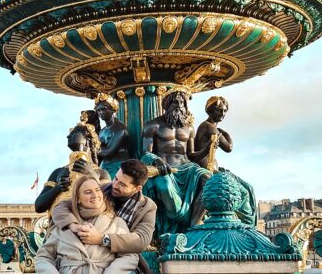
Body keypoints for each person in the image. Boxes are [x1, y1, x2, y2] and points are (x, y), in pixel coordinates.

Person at [141, 89, 211, 237]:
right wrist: (156, 160)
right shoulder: (153, 125)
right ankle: (176, 221)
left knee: (209, 181)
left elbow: (191, 154)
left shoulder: (189, 128)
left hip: (187, 168)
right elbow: (145, 152)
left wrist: (208, 148)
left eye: (182, 103)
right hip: (165, 168)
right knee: (164, 186)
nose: (179, 105)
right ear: (166, 104)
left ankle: (194, 225)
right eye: (175, 102)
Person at [193, 96, 257, 227]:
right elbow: (229, 147)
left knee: (248, 188)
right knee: (244, 192)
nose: (222, 114)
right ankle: (247, 224)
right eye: (219, 110)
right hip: (208, 169)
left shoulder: (209, 127)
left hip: (214, 168)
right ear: (210, 111)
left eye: (224, 111)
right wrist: (224, 132)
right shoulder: (209, 127)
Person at [95, 94, 132, 178]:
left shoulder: (120, 130)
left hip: (118, 168)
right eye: (98, 110)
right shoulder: (103, 130)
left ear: (112, 109)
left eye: (103, 109)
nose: (100, 113)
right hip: (103, 167)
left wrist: (91, 146)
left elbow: (108, 152)